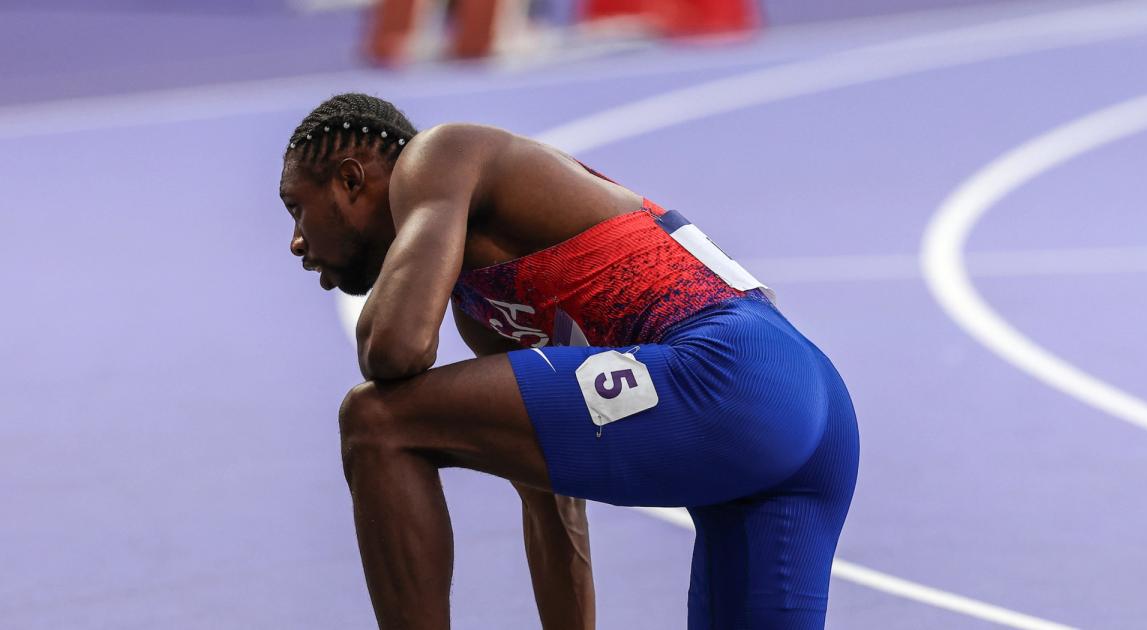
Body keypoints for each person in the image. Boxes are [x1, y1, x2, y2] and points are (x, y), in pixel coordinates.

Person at [278, 93, 859, 630]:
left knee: (377, 422)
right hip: (811, 409)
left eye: (298, 210)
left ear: (351, 180)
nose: (297, 243)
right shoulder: (484, 302)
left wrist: (390, 261)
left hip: (729, 375)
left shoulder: (437, 155)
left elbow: (395, 349)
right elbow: (551, 499)